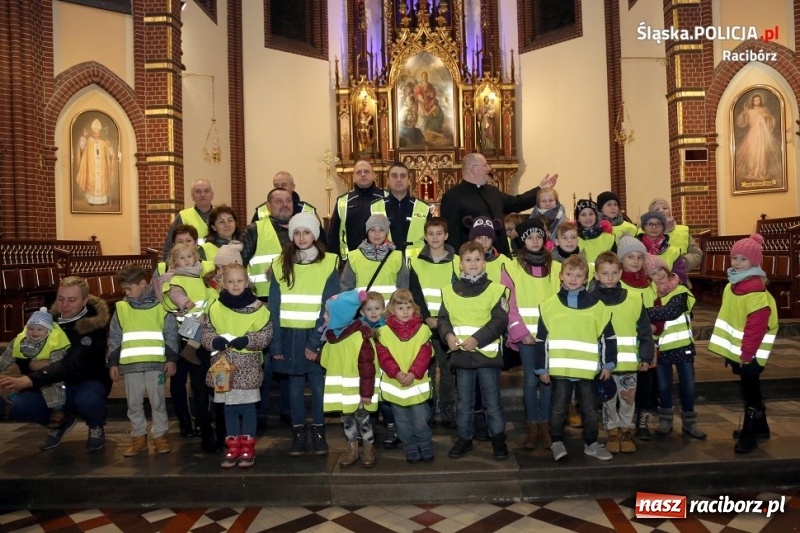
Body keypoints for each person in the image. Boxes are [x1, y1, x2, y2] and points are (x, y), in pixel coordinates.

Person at [0, 277, 111, 452]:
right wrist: (31, 364)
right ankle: (60, 422)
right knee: (20, 405)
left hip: (84, 382)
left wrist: (31, 378)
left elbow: (73, 364)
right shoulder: (45, 321)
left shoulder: (93, 327)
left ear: (84, 301)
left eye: (72, 300)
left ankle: (96, 427)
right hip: (49, 384)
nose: (64, 304)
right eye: (60, 298)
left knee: (89, 399)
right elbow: (21, 347)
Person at [268, 212, 340, 456]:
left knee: (318, 388)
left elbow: (328, 306)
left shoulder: (329, 262)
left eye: (306, 232)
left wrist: (315, 344)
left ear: (315, 235)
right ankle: (298, 434)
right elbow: (274, 308)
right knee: (294, 390)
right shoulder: (280, 265)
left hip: (315, 337)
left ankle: (319, 433)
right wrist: (275, 344)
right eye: (297, 232)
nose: (301, 237)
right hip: (289, 338)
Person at [533, 255, 617, 462]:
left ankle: (591, 443)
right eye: (569, 274)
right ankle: (556, 442)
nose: (573, 278)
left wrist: (608, 364)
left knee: (589, 409)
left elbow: (609, 338)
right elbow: (542, 340)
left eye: (578, 275)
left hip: (587, 372)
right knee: (559, 408)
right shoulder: (549, 305)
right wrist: (541, 369)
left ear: (586, 279)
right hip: (560, 371)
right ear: (561, 275)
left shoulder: (597, 306)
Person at [438, 241, 510, 461]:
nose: (473, 264)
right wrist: (448, 335)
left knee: (492, 400)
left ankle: (498, 438)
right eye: (468, 260)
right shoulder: (449, 291)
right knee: (464, 401)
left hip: (486, 354)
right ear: (460, 264)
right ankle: (464, 438)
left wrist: (477, 339)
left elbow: (500, 320)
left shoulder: (496, 290)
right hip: (462, 355)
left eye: (477, 259)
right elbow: (443, 319)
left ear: (485, 263)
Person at [708, 234, 778, 454]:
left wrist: (747, 353)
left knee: (750, 390)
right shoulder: (734, 285)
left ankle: (750, 433)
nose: (737, 263)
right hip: (740, 350)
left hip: (751, 351)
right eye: (735, 258)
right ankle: (762, 427)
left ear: (755, 262)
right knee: (750, 388)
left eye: (743, 259)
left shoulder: (755, 290)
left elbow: (756, 327)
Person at [202, 263, 273, 468]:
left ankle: (248, 448)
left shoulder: (258, 308)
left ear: (247, 281)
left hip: (247, 366)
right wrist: (213, 341)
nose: (235, 284)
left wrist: (249, 341)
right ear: (223, 283)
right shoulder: (215, 307)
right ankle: (233, 448)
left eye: (239, 280)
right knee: (229, 409)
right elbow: (207, 331)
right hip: (223, 366)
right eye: (230, 281)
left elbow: (266, 334)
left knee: (248, 408)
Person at [500, 218, 560, 450]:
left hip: (550, 336)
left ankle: (545, 424)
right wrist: (521, 332)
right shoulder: (512, 268)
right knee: (530, 379)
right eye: (529, 237)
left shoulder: (556, 268)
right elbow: (509, 304)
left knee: (547, 380)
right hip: (526, 336)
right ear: (522, 240)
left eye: (539, 236)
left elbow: (560, 302)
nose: (535, 241)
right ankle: (532, 424)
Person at [107, 265, 179, 456]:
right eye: (124, 290)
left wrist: (171, 359)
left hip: (156, 364)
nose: (126, 293)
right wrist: (113, 362)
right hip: (130, 365)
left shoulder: (161, 305)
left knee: (158, 401)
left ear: (143, 284)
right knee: (134, 403)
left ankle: (160, 436)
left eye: (129, 288)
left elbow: (170, 334)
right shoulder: (122, 308)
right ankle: (138, 436)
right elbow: (115, 336)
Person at [591, 252, 654, 454]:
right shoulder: (591, 301)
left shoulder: (634, 299)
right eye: (604, 273)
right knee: (608, 399)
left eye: (613, 273)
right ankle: (613, 431)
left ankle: (626, 431)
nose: (609, 277)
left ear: (620, 274)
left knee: (628, 399)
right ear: (596, 275)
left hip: (628, 363)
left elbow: (644, 330)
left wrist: (646, 356)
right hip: (603, 365)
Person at [440, 152, 557, 256]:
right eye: (485, 165)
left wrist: (540, 188)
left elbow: (517, 203)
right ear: (473, 168)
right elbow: (452, 236)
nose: (489, 168)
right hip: (473, 261)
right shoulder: (453, 197)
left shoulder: (492, 191)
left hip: (500, 256)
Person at [644, 254, 706, 440]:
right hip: (661, 348)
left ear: (667, 269)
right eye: (653, 273)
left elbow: (671, 311)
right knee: (663, 386)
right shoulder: (651, 293)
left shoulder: (681, 290)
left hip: (682, 347)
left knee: (688, 385)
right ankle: (666, 421)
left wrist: (643, 312)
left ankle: (689, 423)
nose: (658, 275)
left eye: (660, 270)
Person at [408, 218, 460, 429]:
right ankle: (427, 409)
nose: (435, 237)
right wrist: (426, 317)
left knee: (448, 370)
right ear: (425, 236)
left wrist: (444, 321)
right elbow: (415, 293)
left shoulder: (457, 261)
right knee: (425, 368)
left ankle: (447, 409)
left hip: (448, 325)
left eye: (439, 233)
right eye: (431, 234)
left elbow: (458, 292)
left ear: (446, 236)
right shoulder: (416, 262)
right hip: (425, 324)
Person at [320, 290, 378, 468]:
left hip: (360, 393)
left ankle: (368, 449)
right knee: (348, 422)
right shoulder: (332, 337)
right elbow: (327, 361)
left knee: (364, 421)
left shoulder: (360, 337)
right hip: (344, 393)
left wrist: (367, 393)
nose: (324, 317)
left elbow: (368, 368)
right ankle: (352, 450)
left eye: (328, 313)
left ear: (340, 315)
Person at [375, 290, 434, 463]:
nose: (405, 311)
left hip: (417, 384)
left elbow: (425, 353)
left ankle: (424, 444)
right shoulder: (383, 332)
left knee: (421, 418)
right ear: (392, 309)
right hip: (396, 386)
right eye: (401, 307)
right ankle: (409, 446)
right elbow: (383, 357)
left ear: (414, 308)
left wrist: (413, 372)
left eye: (408, 307)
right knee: (402, 421)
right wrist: (397, 373)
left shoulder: (423, 330)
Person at [616, 235, 657, 440]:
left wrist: (655, 324)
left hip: (647, 343)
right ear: (621, 260)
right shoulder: (618, 284)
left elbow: (658, 309)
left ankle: (643, 419)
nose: (635, 261)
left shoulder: (649, 284)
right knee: (625, 385)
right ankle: (624, 420)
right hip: (625, 344)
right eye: (630, 256)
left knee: (646, 383)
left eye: (639, 257)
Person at [0, 308, 70, 429]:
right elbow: (5, 359)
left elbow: (58, 365)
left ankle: (58, 411)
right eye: (31, 329)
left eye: (39, 329)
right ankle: (9, 406)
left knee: (53, 389)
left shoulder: (55, 343)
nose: (34, 332)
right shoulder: (19, 342)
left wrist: (38, 365)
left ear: (48, 331)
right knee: (16, 392)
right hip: (29, 377)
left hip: (49, 376)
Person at [242, 188, 309, 299]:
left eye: (288, 201)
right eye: (279, 201)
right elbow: (238, 264)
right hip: (264, 299)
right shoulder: (255, 230)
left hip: (299, 296)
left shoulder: (305, 229)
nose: (285, 205)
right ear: (268, 206)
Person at [340, 214, 409, 303]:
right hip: (363, 312)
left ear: (386, 233)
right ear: (367, 232)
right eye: (372, 230)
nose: (377, 234)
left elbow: (403, 289)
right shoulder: (354, 257)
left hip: (390, 313)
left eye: (381, 230)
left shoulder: (397, 257)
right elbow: (346, 288)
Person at [328, 160, 389, 262]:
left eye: (366, 171)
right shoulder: (343, 201)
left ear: (374, 175)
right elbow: (333, 235)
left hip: (382, 260)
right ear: (353, 177)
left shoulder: (386, 197)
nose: (363, 174)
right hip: (351, 261)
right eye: (359, 172)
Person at [369, 161, 430, 257]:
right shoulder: (374, 207)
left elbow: (431, 241)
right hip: (386, 264)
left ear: (409, 180)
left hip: (416, 266)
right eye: (394, 176)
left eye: (403, 176)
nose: (398, 179)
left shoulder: (423, 208)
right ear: (388, 180)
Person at [648, 198, 703, 281]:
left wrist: (683, 262)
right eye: (657, 209)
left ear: (669, 211)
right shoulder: (643, 233)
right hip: (652, 281)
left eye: (665, 208)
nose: (661, 211)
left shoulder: (682, 231)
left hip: (679, 280)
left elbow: (697, 254)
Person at [735, 93, 782, 183]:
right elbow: (743, 122)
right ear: (752, 101)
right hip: (753, 133)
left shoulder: (764, 110)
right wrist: (745, 112)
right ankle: (752, 171)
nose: (757, 101)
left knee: (762, 153)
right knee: (752, 152)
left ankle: (761, 172)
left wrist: (767, 117)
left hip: (762, 135)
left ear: (761, 100)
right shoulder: (749, 111)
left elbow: (771, 120)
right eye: (755, 100)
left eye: (758, 100)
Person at [163, 179, 215, 259]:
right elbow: (169, 246)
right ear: (192, 196)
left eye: (206, 191)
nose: (203, 194)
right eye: (198, 191)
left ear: (212, 195)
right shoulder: (183, 216)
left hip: (217, 264)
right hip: (190, 265)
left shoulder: (220, 215)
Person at [251, 171, 318, 223]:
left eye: (284, 185)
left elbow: (319, 239)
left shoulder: (307, 211)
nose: (280, 188)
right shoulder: (261, 211)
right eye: (276, 185)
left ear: (293, 186)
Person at [75, 118, 115, 206]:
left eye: (97, 133)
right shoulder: (88, 141)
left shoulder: (104, 143)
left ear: (100, 133)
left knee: (101, 182)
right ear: (92, 133)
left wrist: (109, 146)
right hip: (92, 167)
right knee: (91, 181)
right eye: (94, 133)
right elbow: (81, 148)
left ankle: (102, 200)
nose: (95, 135)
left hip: (102, 167)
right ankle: (91, 200)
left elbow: (111, 155)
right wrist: (84, 137)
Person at [637, 210, 683, 277]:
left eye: (658, 224)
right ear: (644, 226)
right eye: (650, 224)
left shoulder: (674, 252)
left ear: (663, 228)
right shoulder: (634, 249)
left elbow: (680, 277)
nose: (654, 227)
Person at [466, 215, 510, 283]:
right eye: (479, 238)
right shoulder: (463, 261)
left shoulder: (504, 262)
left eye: (488, 238)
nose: (484, 242)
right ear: (472, 239)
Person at [574, 198, 615, 263]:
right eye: (583, 215)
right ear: (578, 218)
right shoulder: (573, 240)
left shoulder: (609, 238)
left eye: (591, 214)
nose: (588, 218)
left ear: (596, 216)